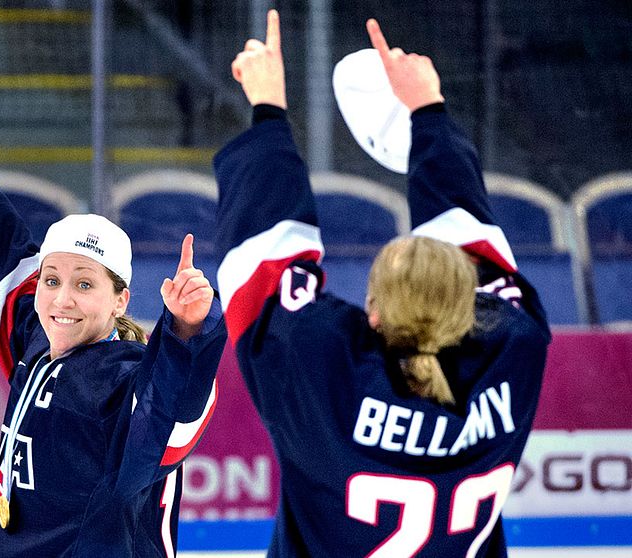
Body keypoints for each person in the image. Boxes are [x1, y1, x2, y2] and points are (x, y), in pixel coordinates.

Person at [213, 11, 550, 557]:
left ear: (370, 312)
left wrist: (268, 107)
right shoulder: (515, 350)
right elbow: (475, 243)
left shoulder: (323, 375)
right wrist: (428, 112)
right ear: (467, 304)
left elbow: (262, 259)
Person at [0, 72, 226, 557]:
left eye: (85, 284)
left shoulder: (123, 380)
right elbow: (6, 258)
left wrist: (188, 329)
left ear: (119, 300)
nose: (61, 300)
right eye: (53, 279)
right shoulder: (40, 343)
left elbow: (171, 414)